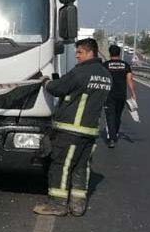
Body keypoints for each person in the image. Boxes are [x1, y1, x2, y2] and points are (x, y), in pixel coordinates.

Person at [34, 38, 112, 217]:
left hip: (70, 130)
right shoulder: (106, 75)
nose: (77, 56)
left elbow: (57, 88)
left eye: (80, 53)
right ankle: (78, 206)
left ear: (90, 52)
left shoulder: (81, 72)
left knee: (61, 165)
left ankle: (57, 204)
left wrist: (45, 81)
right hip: (90, 131)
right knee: (81, 168)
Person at [102, 45, 137, 148]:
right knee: (117, 116)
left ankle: (112, 138)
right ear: (120, 53)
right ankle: (114, 134)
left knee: (110, 116)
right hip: (121, 95)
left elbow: (101, 79)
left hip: (108, 95)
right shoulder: (125, 65)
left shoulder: (105, 65)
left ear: (110, 53)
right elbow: (129, 80)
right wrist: (133, 93)